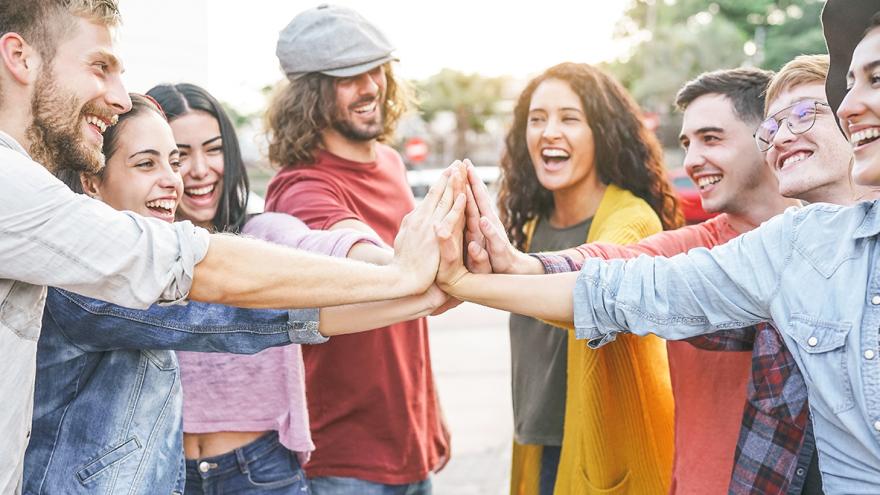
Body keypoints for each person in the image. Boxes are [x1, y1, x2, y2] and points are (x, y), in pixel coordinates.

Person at [0, 1, 453, 489]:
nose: (116, 95)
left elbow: (301, 271)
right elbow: (214, 289)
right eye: (99, 66)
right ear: (19, 57)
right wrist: (404, 278)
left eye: (187, 156)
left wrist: (419, 290)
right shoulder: (33, 211)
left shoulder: (38, 204)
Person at [433, 2, 880, 491]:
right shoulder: (784, 251)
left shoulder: (782, 244)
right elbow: (628, 281)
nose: (692, 160)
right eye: (771, 128)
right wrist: (501, 271)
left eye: (803, 114)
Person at [146, 82, 452, 494]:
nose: (200, 169)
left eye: (214, 149)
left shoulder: (261, 233)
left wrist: (402, 269)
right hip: (162, 471)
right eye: (180, 156)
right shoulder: (136, 258)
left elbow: (321, 245)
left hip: (261, 471)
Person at [261, 6, 450, 492]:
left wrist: (428, 418)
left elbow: (401, 328)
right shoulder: (301, 187)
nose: (371, 86)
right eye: (348, 77)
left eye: (376, 69)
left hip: (409, 440)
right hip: (343, 459)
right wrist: (419, 265)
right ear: (310, 95)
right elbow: (363, 253)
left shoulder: (389, 161)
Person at [492, 62, 682, 495]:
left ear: (602, 133)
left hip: (605, 459)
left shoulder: (631, 218)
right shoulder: (527, 226)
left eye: (569, 118)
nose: (549, 132)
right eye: (536, 119)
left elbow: (591, 276)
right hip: (540, 446)